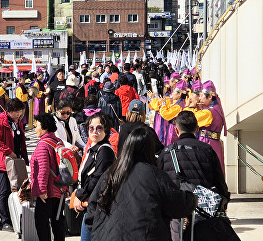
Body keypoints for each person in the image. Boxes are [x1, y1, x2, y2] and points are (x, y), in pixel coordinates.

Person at [86, 127, 196, 241]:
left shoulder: (111, 173)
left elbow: (92, 211)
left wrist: (100, 229)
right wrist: (192, 199)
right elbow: (178, 205)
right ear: (150, 149)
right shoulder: (155, 175)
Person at [158, 111, 229, 241]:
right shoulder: (207, 150)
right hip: (203, 209)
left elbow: (159, 184)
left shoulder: (166, 153)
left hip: (176, 209)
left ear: (176, 129)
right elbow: (219, 180)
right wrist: (224, 200)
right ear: (197, 129)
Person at [73, 112, 117, 241]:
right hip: (92, 205)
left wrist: (79, 196)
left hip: (98, 206)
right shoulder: (94, 148)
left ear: (106, 130)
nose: (95, 131)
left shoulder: (104, 151)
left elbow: (97, 178)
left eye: (99, 128)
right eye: (91, 128)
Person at [0, 98, 29, 232]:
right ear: (10, 111)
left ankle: (14, 217)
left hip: (15, 161)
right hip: (3, 162)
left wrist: (23, 157)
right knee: (4, 190)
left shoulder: (17, 122)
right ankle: (5, 221)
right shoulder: (1, 121)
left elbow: (21, 140)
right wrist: (9, 152)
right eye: (17, 112)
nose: (19, 114)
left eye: (20, 111)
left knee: (17, 188)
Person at [30, 113, 66, 241]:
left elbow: (43, 169)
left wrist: (41, 190)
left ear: (44, 127)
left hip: (47, 192)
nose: (35, 129)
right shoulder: (58, 141)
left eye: (37, 125)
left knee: (41, 224)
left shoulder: (43, 145)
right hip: (60, 189)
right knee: (58, 221)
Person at [183, 80, 228, 171]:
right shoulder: (214, 109)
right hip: (212, 143)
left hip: (207, 143)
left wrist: (189, 107)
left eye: (202, 95)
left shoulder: (209, 112)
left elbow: (188, 119)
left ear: (210, 96)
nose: (200, 98)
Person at [149, 80, 188, 146]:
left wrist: (163, 104)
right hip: (171, 127)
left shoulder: (178, 106)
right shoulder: (177, 103)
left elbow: (166, 114)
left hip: (174, 130)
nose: (172, 93)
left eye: (174, 92)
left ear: (179, 94)